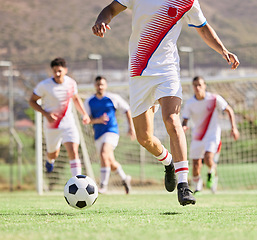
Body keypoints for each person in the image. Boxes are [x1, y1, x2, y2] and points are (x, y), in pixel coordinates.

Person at [92, 0, 239, 205]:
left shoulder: (187, 1)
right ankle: (168, 162)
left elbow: (204, 28)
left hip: (167, 72)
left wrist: (223, 50)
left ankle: (183, 185)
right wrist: (101, 20)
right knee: (144, 138)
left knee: (172, 120)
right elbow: (110, 10)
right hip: (139, 74)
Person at [29, 57, 90, 177]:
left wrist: (85, 114)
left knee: (73, 150)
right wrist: (46, 114)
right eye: (54, 71)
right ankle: (50, 160)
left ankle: (77, 180)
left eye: (59, 71)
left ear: (65, 70)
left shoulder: (71, 83)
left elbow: (76, 99)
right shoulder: (44, 85)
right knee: (54, 154)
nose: (57, 74)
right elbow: (32, 101)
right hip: (52, 126)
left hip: (69, 124)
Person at [182, 76, 240, 194]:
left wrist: (233, 128)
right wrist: (183, 127)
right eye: (195, 85)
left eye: (200, 85)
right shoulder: (190, 103)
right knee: (196, 165)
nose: (197, 87)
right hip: (197, 135)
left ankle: (212, 175)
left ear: (204, 86)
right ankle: (198, 186)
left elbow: (229, 110)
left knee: (208, 159)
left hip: (212, 134)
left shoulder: (214, 98)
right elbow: (185, 120)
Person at [84, 76, 136, 194]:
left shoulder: (113, 98)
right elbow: (87, 119)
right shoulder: (89, 101)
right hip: (98, 134)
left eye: (102, 84)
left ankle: (103, 186)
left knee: (103, 153)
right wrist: (98, 120)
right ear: (95, 85)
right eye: (98, 84)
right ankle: (125, 178)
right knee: (110, 162)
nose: (100, 86)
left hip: (112, 131)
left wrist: (131, 127)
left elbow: (127, 109)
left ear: (106, 85)